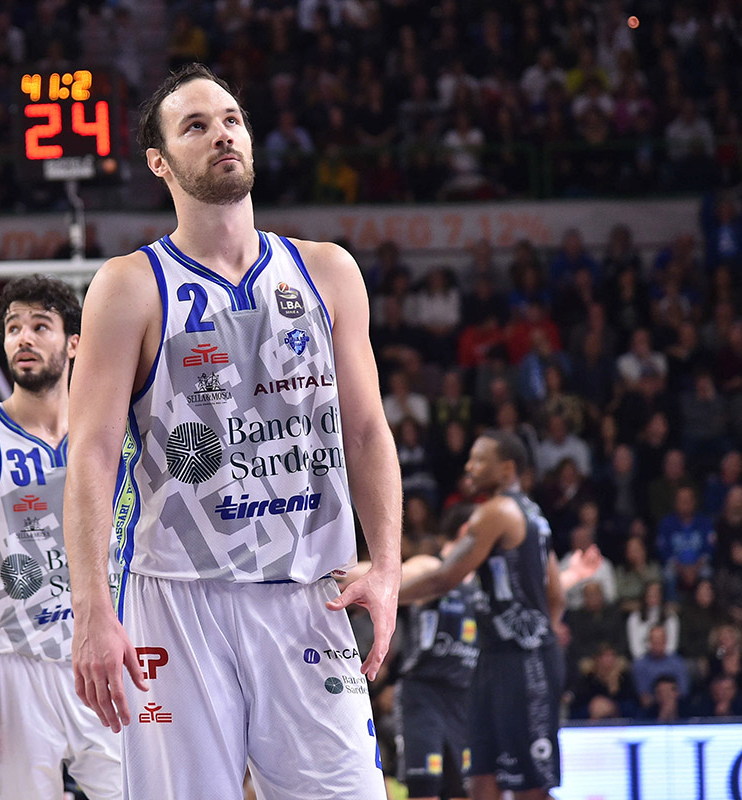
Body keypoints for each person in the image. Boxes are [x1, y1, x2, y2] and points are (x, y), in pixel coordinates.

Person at [63, 63, 402, 799]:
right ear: (159, 162)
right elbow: (89, 454)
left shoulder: (327, 271)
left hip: (309, 592)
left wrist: (387, 565)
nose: (221, 134)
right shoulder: (129, 285)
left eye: (231, 119)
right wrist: (91, 609)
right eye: (195, 126)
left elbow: (368, 430)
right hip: (176, 599)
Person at [0, 275, 121, 799]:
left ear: (74, 343)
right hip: (11, 666)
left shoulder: (112, 433)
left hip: (100, 654)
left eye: (41, 326)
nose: (24, 338)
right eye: (14, 328)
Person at [398, 431, 599, 800]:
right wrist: (543, 633)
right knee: (481, 778)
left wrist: (382, 595)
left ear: (507, 469)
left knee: (528, 787)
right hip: (494, 659)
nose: (469, 467)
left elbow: (444, 578)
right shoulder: (534, 515)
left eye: (479, 460)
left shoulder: (496, 512)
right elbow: (555, 594)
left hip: (520, 663)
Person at [395, 504, 482, 800]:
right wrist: (341, 575)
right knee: (425, 790)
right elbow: (390, 575)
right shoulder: (433, 567)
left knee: (462, 791)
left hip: (465, 696)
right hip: (424, 693)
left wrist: (573, 575)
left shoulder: (480, 581)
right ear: (467, 530)